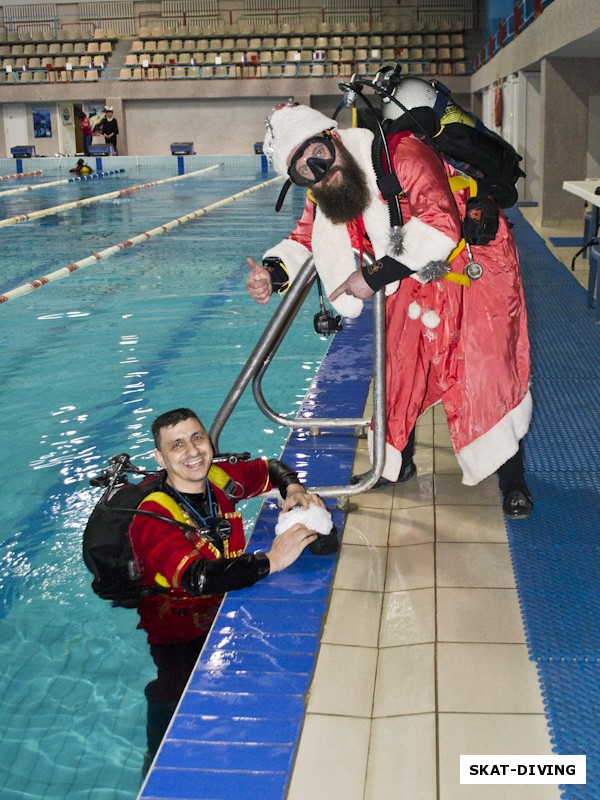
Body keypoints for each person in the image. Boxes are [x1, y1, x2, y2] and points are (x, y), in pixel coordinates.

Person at [246, 100, 533, 519]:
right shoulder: (325, 190)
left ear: (332, 138)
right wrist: (272, 274)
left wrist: (371, 277)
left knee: (488, 369)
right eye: (305, 170)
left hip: (475, 266)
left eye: (319, 156)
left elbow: (440, 223)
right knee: (400, 367)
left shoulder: (401, 155)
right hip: (409, 273)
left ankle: (513, 479)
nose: (321, 171)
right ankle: (398, 463)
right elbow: (306, 237)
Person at [128, 407, 325, 777]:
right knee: (174, 695)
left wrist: (292, 487)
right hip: (180, 633)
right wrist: (270, 561)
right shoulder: (152, 518)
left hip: (227, 609)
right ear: (160, 457)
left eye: (197, 438)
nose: (192, 451)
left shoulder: (218, 478)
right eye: (177, 445)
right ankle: (155, 764)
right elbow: (198, 577)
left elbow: (269, 469)